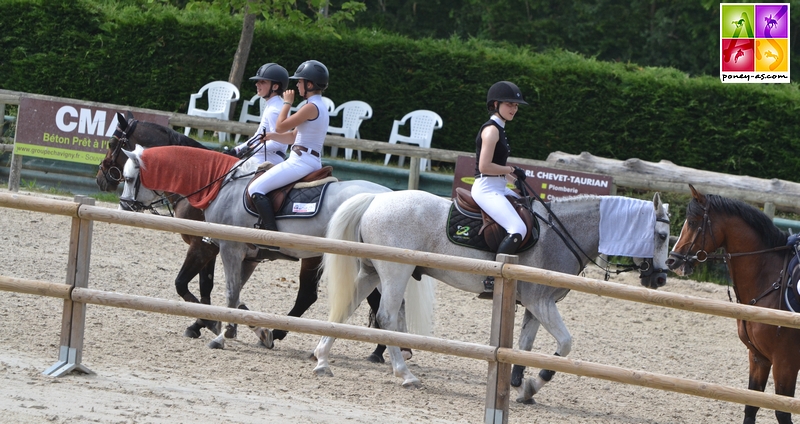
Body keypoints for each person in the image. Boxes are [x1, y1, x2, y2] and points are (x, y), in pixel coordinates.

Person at [247, 60, 330, 248]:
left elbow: (281, 124)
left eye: (299, 82)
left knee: (255, 189)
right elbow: (293, 136)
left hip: (300, 161)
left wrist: (287, 103)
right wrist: (272, 137)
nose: (297, 85)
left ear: (309, 84)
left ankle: (271, 238)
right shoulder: (319, 106)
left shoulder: (309, 107)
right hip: (308, 158)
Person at [471, 81, 529, 293]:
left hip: (498, 185)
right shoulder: (492, 131)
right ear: (496, 104)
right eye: (510, 104)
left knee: (528, 205)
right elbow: (484, 166)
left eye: (516, 105)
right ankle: (492, 277)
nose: (514, 109)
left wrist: (514, 177)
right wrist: (510, 168)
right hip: (486, 188)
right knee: (518, 228)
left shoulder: (500, 129)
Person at [225, 63, 289, 166]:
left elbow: (278, 142)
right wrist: (237, 150)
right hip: (261, 155)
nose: (257, 84)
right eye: (258, 81)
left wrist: (252, 149)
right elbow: (258, 136)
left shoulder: (275, 110)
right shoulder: (271, 106)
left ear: (275, 86)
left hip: (269, 159)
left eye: (262, 82)